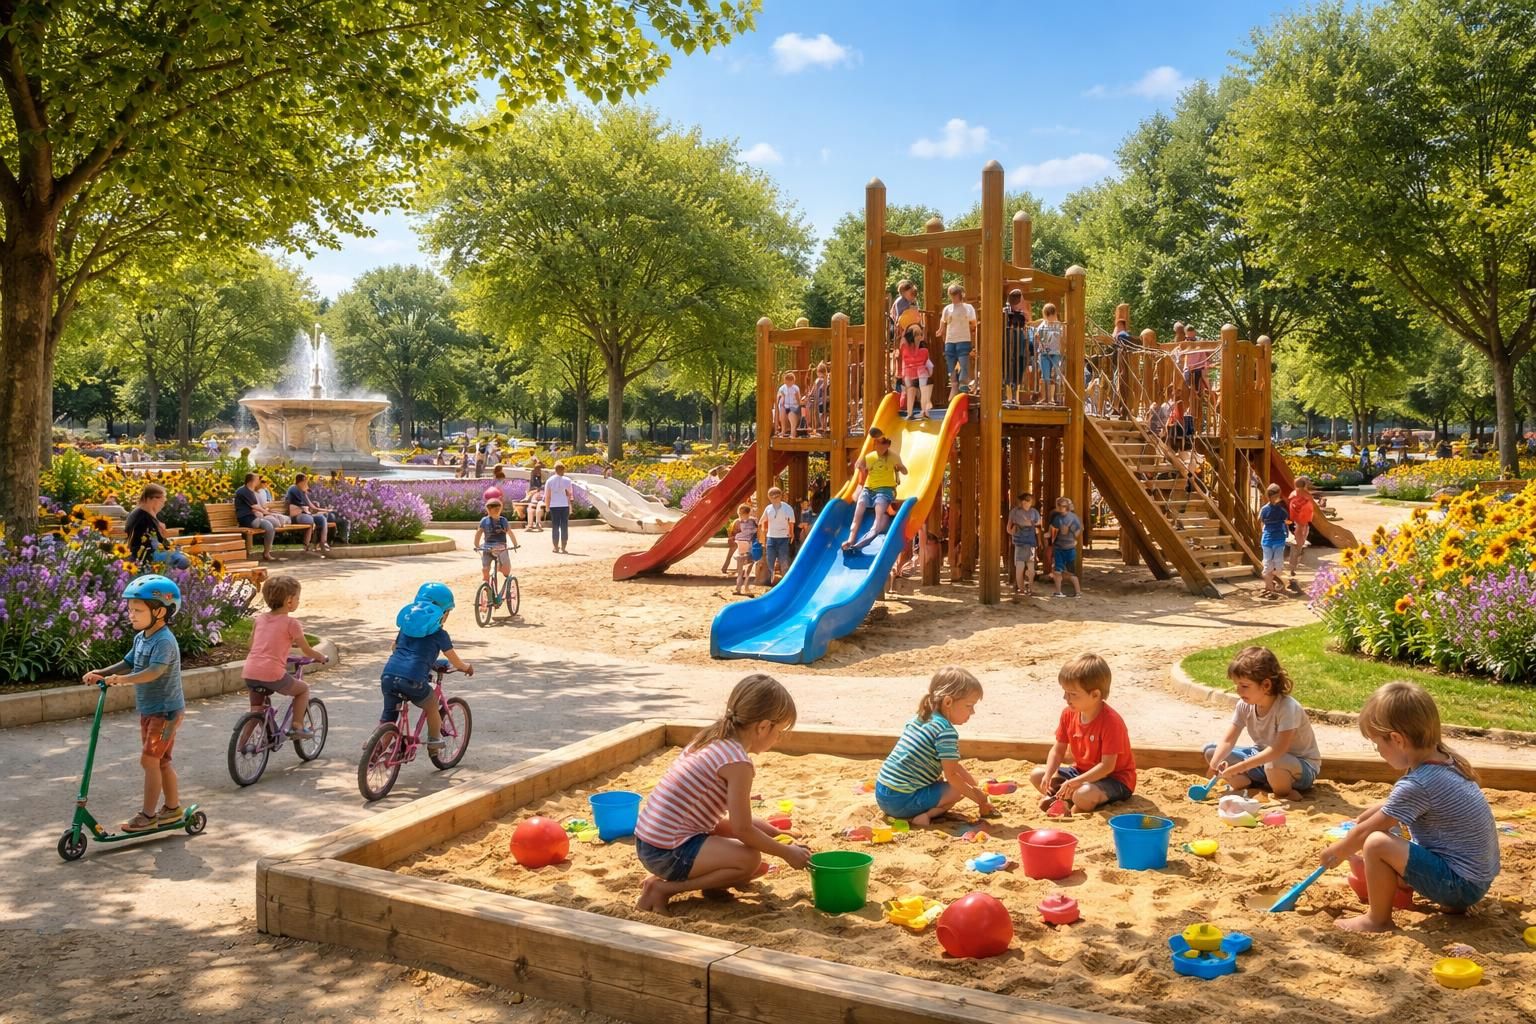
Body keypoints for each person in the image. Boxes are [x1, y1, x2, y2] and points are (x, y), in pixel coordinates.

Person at [1321, 681, 1499, 933]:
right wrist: (1372, 815)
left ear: (1396, 739)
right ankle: (1401, 886)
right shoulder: (1444, 760)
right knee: (1383, 826)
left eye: (1377, 743)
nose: (1378, 751)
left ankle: (1377, 920)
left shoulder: (1419, 783)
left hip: (1460, 887)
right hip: (1475, 879)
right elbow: (1396, 807)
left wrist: (1336, 851)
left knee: (1375, 842)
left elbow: (1365, 834)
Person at [633, 674, 809, 913]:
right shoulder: (738, 764)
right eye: (780, 732)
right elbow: (742, 829)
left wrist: (775, 833)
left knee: (748, 853)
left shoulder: (711, 738)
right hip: (666, 852)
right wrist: (786, 853)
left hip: (649, 839)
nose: (779, 738)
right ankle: (664, 888)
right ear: (764, 726)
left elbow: (720, 822)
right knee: (749, 861)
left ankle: (712, 884)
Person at [81, 575, 187, 833]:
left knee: (150, 761)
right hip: (150, 710)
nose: (131, 615)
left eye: (138, 610)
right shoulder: (142, 638)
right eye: (130, 609)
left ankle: (148, 815)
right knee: (161, 761)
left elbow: (154, 672)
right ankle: (173, 809)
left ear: (160, 611)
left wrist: (123, 680)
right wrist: (103, 673)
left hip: (166, 712)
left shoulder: (164, 640)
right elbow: (128, 662)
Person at [875, 667, 994, 827]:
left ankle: (917, 811)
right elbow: (952, 775)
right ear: (948, 702)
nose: (972, 712)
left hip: (883, 795)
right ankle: (922, 816)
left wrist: (974, 784)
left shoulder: (922, 717)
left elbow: (953, 765)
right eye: (969, 705)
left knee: (947, 781)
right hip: (902, 802)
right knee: (957, 789)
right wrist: (980, 800)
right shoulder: (946, 732)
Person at [1203, 646, 1321, 800]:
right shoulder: (1244, 705)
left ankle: (1284, 792)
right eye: (1236, 685)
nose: (1238, 691)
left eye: (1244, 686)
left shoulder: (1287, 707)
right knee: (1212, 751)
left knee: (1274, 762)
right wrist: (1214, 765)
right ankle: (1248, 783)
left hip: (1298, 767)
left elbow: (1278, 750)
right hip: (1262, 761)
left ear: (1266, 685)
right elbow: (1228, 740)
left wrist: (1242, 766)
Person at [1030, 653, 1136, 813]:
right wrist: (1049, 773)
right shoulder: (1068, 713)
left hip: (1114, 779)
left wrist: (1075, 783)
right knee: (1037, 775)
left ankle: (1071, 801)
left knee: (1083, 794)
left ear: (1095, 694)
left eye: (1073, 694)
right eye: (1065, 692)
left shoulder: (1111, 722)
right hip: (1080, 772)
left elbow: (1107, 767)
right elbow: (1058, 750)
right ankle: (1065, 799)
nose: (1066, 698)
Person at [381, 583, 475, 749]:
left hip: (388, 676)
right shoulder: (440, 634)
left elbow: (395, 648)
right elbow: (456, 662)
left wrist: (426, 662)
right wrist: (467, 667)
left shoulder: (405, 628)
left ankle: (376, 749)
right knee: (432, 706)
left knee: (389, 716)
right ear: (443, 613)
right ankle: (433, 741)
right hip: (413, 680)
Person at [241, 575, 328, 738]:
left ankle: (242, 744)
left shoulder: (259, 620)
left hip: (250, 671)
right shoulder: (291, 624)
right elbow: (307, 650)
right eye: (297, 598)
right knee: (303, 690)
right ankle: (297, 726)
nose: (298, 601)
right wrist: (321, 657)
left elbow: (251, 645)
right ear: (289, 601)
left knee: (256, 708)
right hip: (272, 674)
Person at [842, 433, 907, 553]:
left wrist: (900, 467)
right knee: (861, 504)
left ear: (888, 445)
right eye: (877, 443)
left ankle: (862, 543)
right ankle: (851, 539)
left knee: (879, 509)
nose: (879, 446)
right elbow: (858, 467)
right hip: (869, 489)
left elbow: (905, 471)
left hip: (885, 489)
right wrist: (860, 465)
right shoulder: (870, 456)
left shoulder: (894, 457)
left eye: (883, 444)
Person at [124, 483, 191, 570]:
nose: (163, 505)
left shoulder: (140, 513)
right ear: (153, 500)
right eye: (163, 501)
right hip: (145, 557)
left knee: (178, 554)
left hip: (142, 554)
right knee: (182, 560)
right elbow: (156, 542)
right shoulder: (143, 517)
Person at [473, 497, 520, 596]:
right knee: (485, 568)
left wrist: (515, 544)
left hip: (501, 546)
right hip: (487, 547)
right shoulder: (484, 521)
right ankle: (485, 582)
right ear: (488, 510)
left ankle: (501, 570)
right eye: (493, 510)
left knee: (506, 570)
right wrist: (477, 545)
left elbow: (509, 532)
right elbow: (479, 532)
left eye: (498, 509)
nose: (496, 511)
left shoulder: (503, 521)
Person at [938, 283, 977, 394]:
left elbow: (973, 323)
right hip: (950, 340)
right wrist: (941, 331)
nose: (953, 297)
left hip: (963, 339)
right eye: (951, 295)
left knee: (963, 364)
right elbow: (943, 322)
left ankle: (963, 385)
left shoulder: (968, 308)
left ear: (960, 295)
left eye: (955, 295)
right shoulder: (947, 308)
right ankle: (954, 385)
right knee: (950, 366)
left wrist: (973, 337)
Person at [234, 471, 282, 562]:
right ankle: (266, 553)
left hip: (252, 517)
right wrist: (267, 513)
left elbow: (254, 507)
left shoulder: (250, 491)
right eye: (256, 480)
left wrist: (267, 513)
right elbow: (254, 506)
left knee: (273, 524)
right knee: (269, 526)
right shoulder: (244, 491)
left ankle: (267, 551)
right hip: (246, 518)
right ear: (251, 481)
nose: (258, 482)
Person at [285, 473, 338, 552]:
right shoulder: (293, 489)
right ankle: (307, 545)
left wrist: (326, 510)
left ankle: (323, 542)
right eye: (305, 481)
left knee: (322, 518)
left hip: (305, 513)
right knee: (309, 519)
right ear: (301, 482)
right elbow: (300, 506)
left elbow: (311, 506)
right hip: (296, 515)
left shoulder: (302, 491)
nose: (307, 484)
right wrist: (304, 493)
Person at [1006, 491, 1041, 597]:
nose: (1027, 502)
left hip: (1030, 542)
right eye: (1025, 500)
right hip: (1019, 542)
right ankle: (1021, 589)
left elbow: (1039, 525)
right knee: (1020, 567)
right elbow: (1008, 528)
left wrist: (1037, 534)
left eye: (1029, 500)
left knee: (1031, 568)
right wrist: (1013, 531)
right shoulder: (1015, 512)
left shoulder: (1034, 512)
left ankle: (1030, 588)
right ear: (1021, 501)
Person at [758, 487, 795, 586]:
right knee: (770, 559)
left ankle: (785, 582)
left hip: (783, 537)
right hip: (771, 537)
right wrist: (763, 530)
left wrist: (791, 533)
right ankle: (771, 580)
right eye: (772, 497)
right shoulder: (768, 508)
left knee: (784, 560)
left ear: (780, 496)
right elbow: (762, 521)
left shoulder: (787, 508)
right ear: (769, 498)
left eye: (776, 496)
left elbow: (791, 522)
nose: (774, 499)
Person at [1258, 483, 1289, 599]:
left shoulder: (1268, 509)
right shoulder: (1277, 510)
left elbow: (1261, 521)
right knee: (1271, 565)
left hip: (1274, 539)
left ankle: (1271, 584)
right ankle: (1269, 587)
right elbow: (1286, 521)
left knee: (1274, 565)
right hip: (1272, 539)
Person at [1047, 496, 1082, 598]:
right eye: (1059, 505)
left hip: (1069, 548)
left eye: (1062, 506)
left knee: (1071, 573)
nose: (1060, 507)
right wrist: (1047, 535)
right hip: (1058, 547)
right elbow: (1052, 531)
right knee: (1057, 571)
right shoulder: (1056, 518)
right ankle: (1058, 592)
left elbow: (1077, 532)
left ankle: (1078, 592)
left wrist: (1069, 529)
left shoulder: (1073, 518)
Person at [1286, 475, 1319, 582]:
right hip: (1303, 521)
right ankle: (1294, 563)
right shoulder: (1306, 495)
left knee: (1298, 543)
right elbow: (1310, 507)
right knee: (1300, 544)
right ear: (1304, 485)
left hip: (1296, 521)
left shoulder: (1292, 495)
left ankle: (1292, 566)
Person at [1002, 289, 1032, 407]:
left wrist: (1026, 315)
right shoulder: (1005, 312)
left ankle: (1016, 396)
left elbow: (1028, 323)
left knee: (1019, 368)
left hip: (1020, 345)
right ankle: (1009, 396)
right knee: (1009, 368)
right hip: (1009, 345)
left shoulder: (1022, 314)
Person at [898, 323, 933, 421]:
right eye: (916, 334)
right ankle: (910, 413)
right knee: (911, 391)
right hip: (910, 373)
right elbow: (904, 339)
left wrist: (930, 370)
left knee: (923, 390)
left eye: (920, 334)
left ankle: (925, 412)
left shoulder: (924, 350)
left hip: (920, 373)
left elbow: (927, 361)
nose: (919, 336)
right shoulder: (905, 346)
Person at [1035, 302, 1065, 406]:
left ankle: (1051, 398)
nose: (1050, 317)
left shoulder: (1058, 325)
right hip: (1044, 354)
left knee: (1053, 375)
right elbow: (1037, 335)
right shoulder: (1043, 325)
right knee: (1045, 375)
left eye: (1052, 315)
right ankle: (1044, 398)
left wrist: (1062, 350)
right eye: (1048, 315)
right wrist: (1040, 341)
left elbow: (1062, 339)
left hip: (1055, 353)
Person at [544, 460, 575, 554]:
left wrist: (547, 507)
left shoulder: (549, 481)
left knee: (555, 526)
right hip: (564, 505)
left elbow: (547, 495)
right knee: (564, 526)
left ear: (555, 469)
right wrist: (570, 506)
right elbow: (570, 495)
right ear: (563, 470)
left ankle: (555, 546)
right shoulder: (568, 480)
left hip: (554, 506)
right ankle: (564, 546)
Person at [731, 502, 759, 596]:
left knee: (749, 567)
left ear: (747, 514)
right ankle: (738, 587)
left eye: (741, 514)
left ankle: (746, 586)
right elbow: (733, 534)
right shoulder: (737, 522)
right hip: (741, 545)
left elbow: (758, 529)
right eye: (739, 514)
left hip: (750, 545)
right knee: (740, 568)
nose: (740, 516)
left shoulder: (753, 521)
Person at [774, 371, 802, 438]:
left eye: (789, 382)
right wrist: (781, 400)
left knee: (792, 416)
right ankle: (783, 431)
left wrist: (799, 404)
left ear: (793, 381)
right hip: (786, 406)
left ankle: (792, 433)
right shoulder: (783, 388)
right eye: (786, 382)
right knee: (782, 413)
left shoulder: (795, 388)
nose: (787, 384)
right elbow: (779, 396)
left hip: (793, 406)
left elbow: (798, 398)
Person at [806, 361, 831, 435]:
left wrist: (810, 396)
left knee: (815, 409)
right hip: (821, 399)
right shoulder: (824, 380)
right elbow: (813, 391)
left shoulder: (820, 380)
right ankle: (820, 427)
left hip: (820, 400)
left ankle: (815, 426)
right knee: (821, 413)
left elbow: (815, 391)